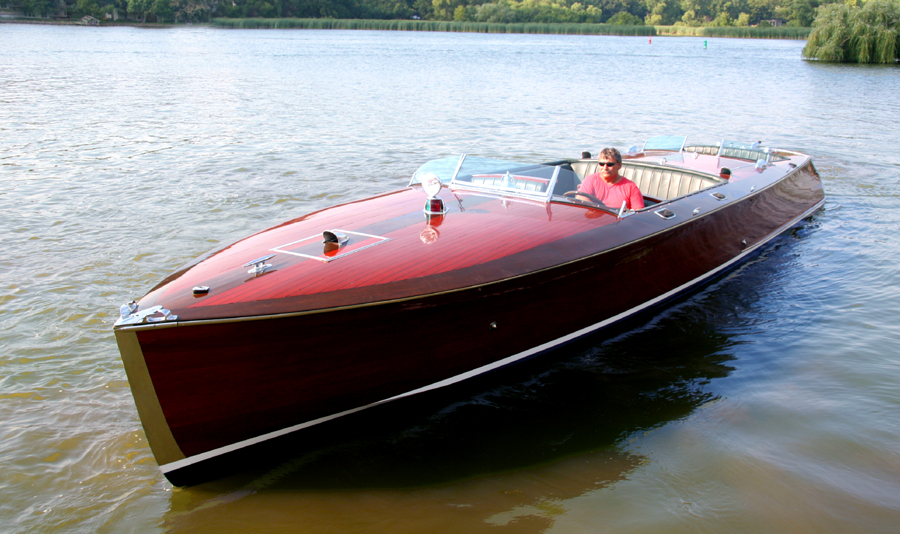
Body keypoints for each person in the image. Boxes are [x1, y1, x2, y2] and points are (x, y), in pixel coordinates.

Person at [577, 148, 645, 210]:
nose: (605, 168)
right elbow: (580, 198)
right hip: (593, 219)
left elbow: (639, 212)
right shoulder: (590, 179)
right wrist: (596, 209)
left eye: (610, 164)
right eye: (602, 164)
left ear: (619, 165)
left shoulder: (631, 187)